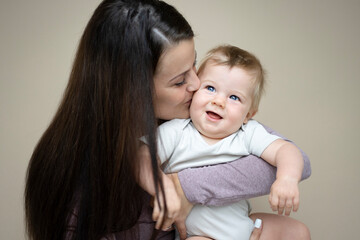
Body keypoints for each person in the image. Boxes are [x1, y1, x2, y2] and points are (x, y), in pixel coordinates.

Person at [24, 0, 310, 239]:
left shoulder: (200, 115)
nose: (199, 85)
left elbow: (299, 162)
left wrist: (185, 187)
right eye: (179, 81)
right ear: (132, 92)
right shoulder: (78, 183)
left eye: (194, 65)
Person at [139, 45, 308, 240]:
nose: (219, 101)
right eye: (210, 88)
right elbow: (141, 154)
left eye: (234, 97)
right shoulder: (178, 131)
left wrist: (287, 179)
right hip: (200, 235)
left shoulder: (247, 133)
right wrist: (163, 186)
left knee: (297, 232)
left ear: (249, 115)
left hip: (245, 226)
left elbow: (287, 150)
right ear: (195, 92)